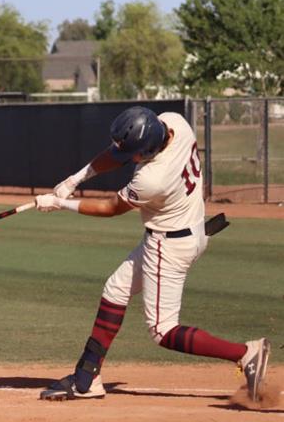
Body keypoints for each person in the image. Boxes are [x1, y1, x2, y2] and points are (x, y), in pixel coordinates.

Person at [34, 106, 270, 403]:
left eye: (135, 154)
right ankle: (87, 377)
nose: (130, 159)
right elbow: (117, 152)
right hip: (188, 231)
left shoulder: (153, 179)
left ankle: (246, 353)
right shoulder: (174, 123)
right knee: (115, 290)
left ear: (147, 150)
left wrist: (60, 204)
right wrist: (75, 180)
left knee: (162, 330)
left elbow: (110, 208)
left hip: (168, 246)